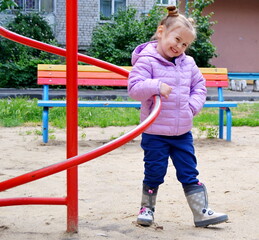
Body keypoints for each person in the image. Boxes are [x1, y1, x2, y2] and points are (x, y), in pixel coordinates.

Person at [128, 6, 228, 228]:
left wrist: (191, 107)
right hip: (155, 132)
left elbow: (199, 86)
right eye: (177, 39)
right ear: (161, 31)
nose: (179, 47)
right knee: (154, 171)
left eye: (185, 44)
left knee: (189, 171)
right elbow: (134, 88)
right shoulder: (147, 60)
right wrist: (156, 85)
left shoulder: (188, 63)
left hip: (182, 132)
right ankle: (147, 208)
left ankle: (201, 212)